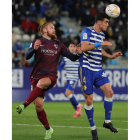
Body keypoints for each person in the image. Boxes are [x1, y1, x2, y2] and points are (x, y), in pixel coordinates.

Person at [16, 22, 82, 140]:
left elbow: (72, 58)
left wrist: (78, 53)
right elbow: (27, 56)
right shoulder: (37, 42)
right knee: (38, 107)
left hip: (50, 77)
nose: (54, 29)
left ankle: (23, 105)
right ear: (45, 30)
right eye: (52, 27)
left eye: (54, 28)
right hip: (36, 77)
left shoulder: (59, 45)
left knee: (42, 83)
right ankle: (48, 129)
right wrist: (33, 49)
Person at [79, 12, 122, 140]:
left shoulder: (102, 35)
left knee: (109, 92)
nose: (108, 24)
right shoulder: (87, 31)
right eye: (106, 22)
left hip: (98, 68)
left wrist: (110, 56)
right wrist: (99, 44)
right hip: (86, 68)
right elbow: (84, 47)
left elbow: (99, 49)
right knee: (89, 100)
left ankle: (107, 122)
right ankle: (93, 129)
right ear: (99, 22)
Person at [58, 43, 83, 117]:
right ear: (68, 48)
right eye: (71, 46)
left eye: (74, 46)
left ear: (76, 48)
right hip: (68, 78)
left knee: (67, 93)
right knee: (70, 95)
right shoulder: (65, 57)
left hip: (74, 78)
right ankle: (77, 112)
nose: (72, 48)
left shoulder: (78, 56)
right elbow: (60, 67)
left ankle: (78, 105)